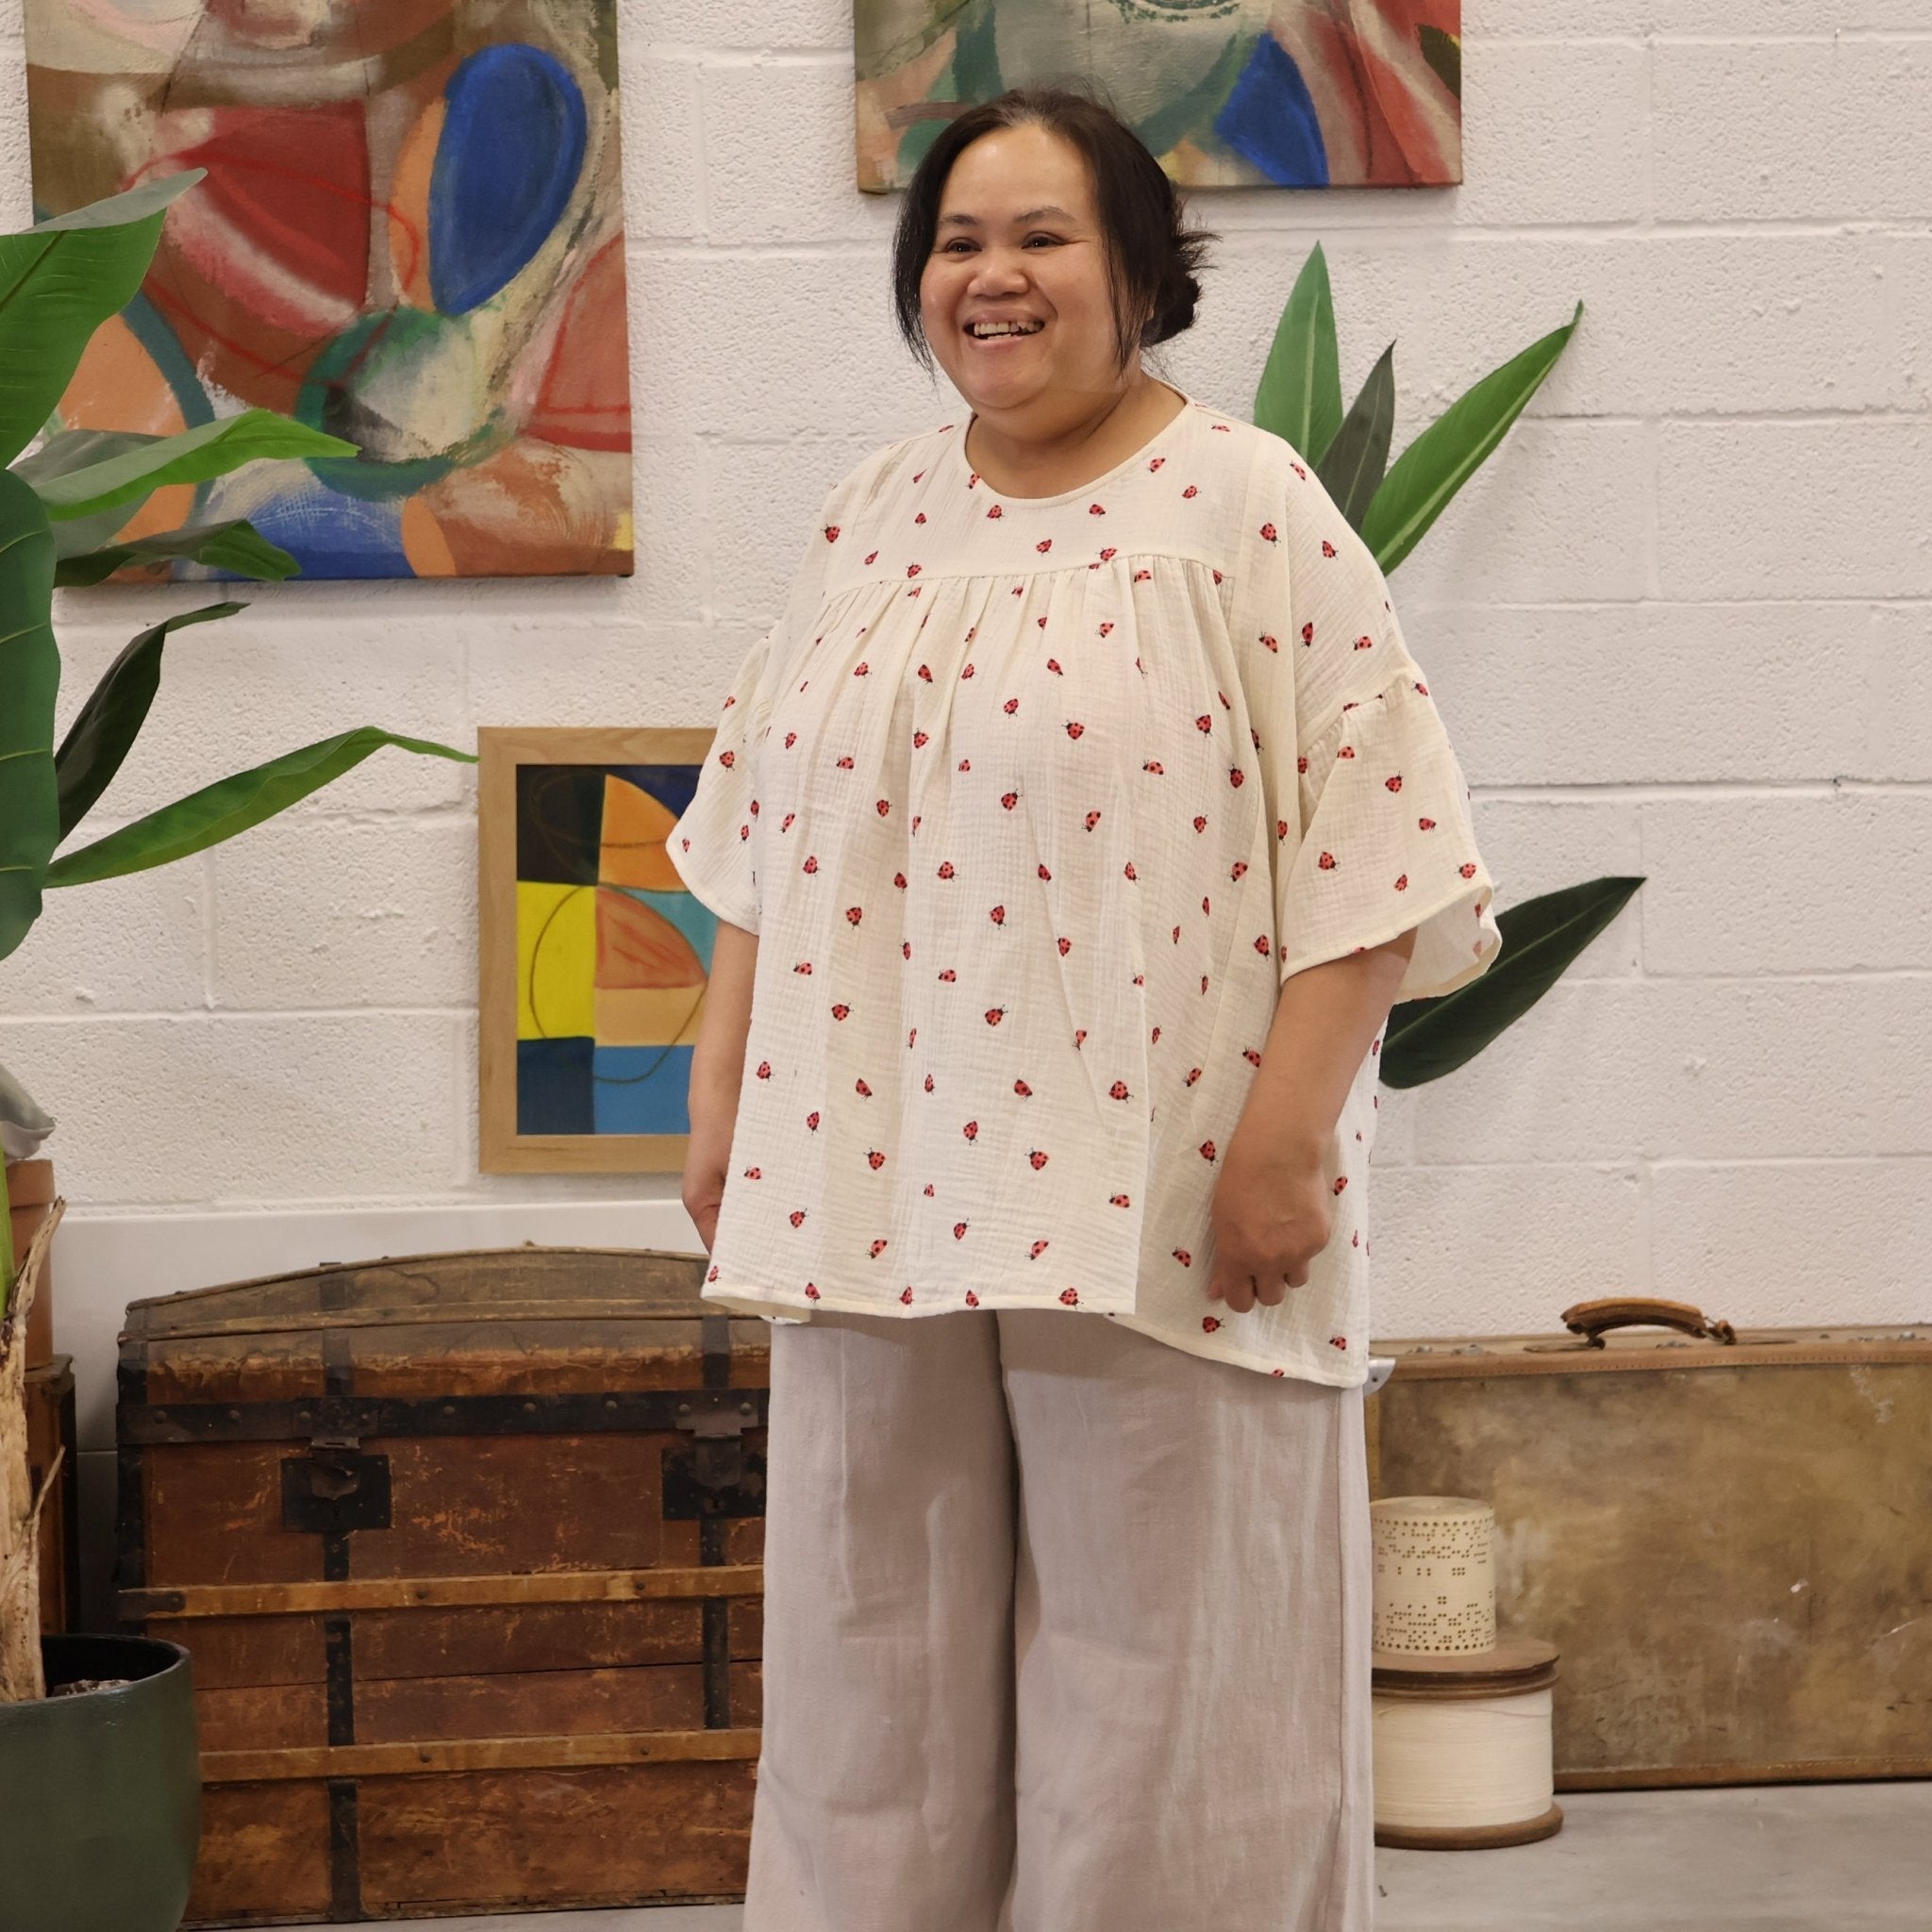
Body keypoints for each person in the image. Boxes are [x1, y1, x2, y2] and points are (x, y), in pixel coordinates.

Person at [669, 82, 1503, 1932]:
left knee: (1163, 1688)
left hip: (1158, 1192)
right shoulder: (872, 513)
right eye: (958, 241)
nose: (995, 275)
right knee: (865, 1676)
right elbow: (759, 831)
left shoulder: (1245, 505)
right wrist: (722, 1098)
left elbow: (1376, 836)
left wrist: (1285, 1142)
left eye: (1043, 235)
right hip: (868, 1185)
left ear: (1139, 271)